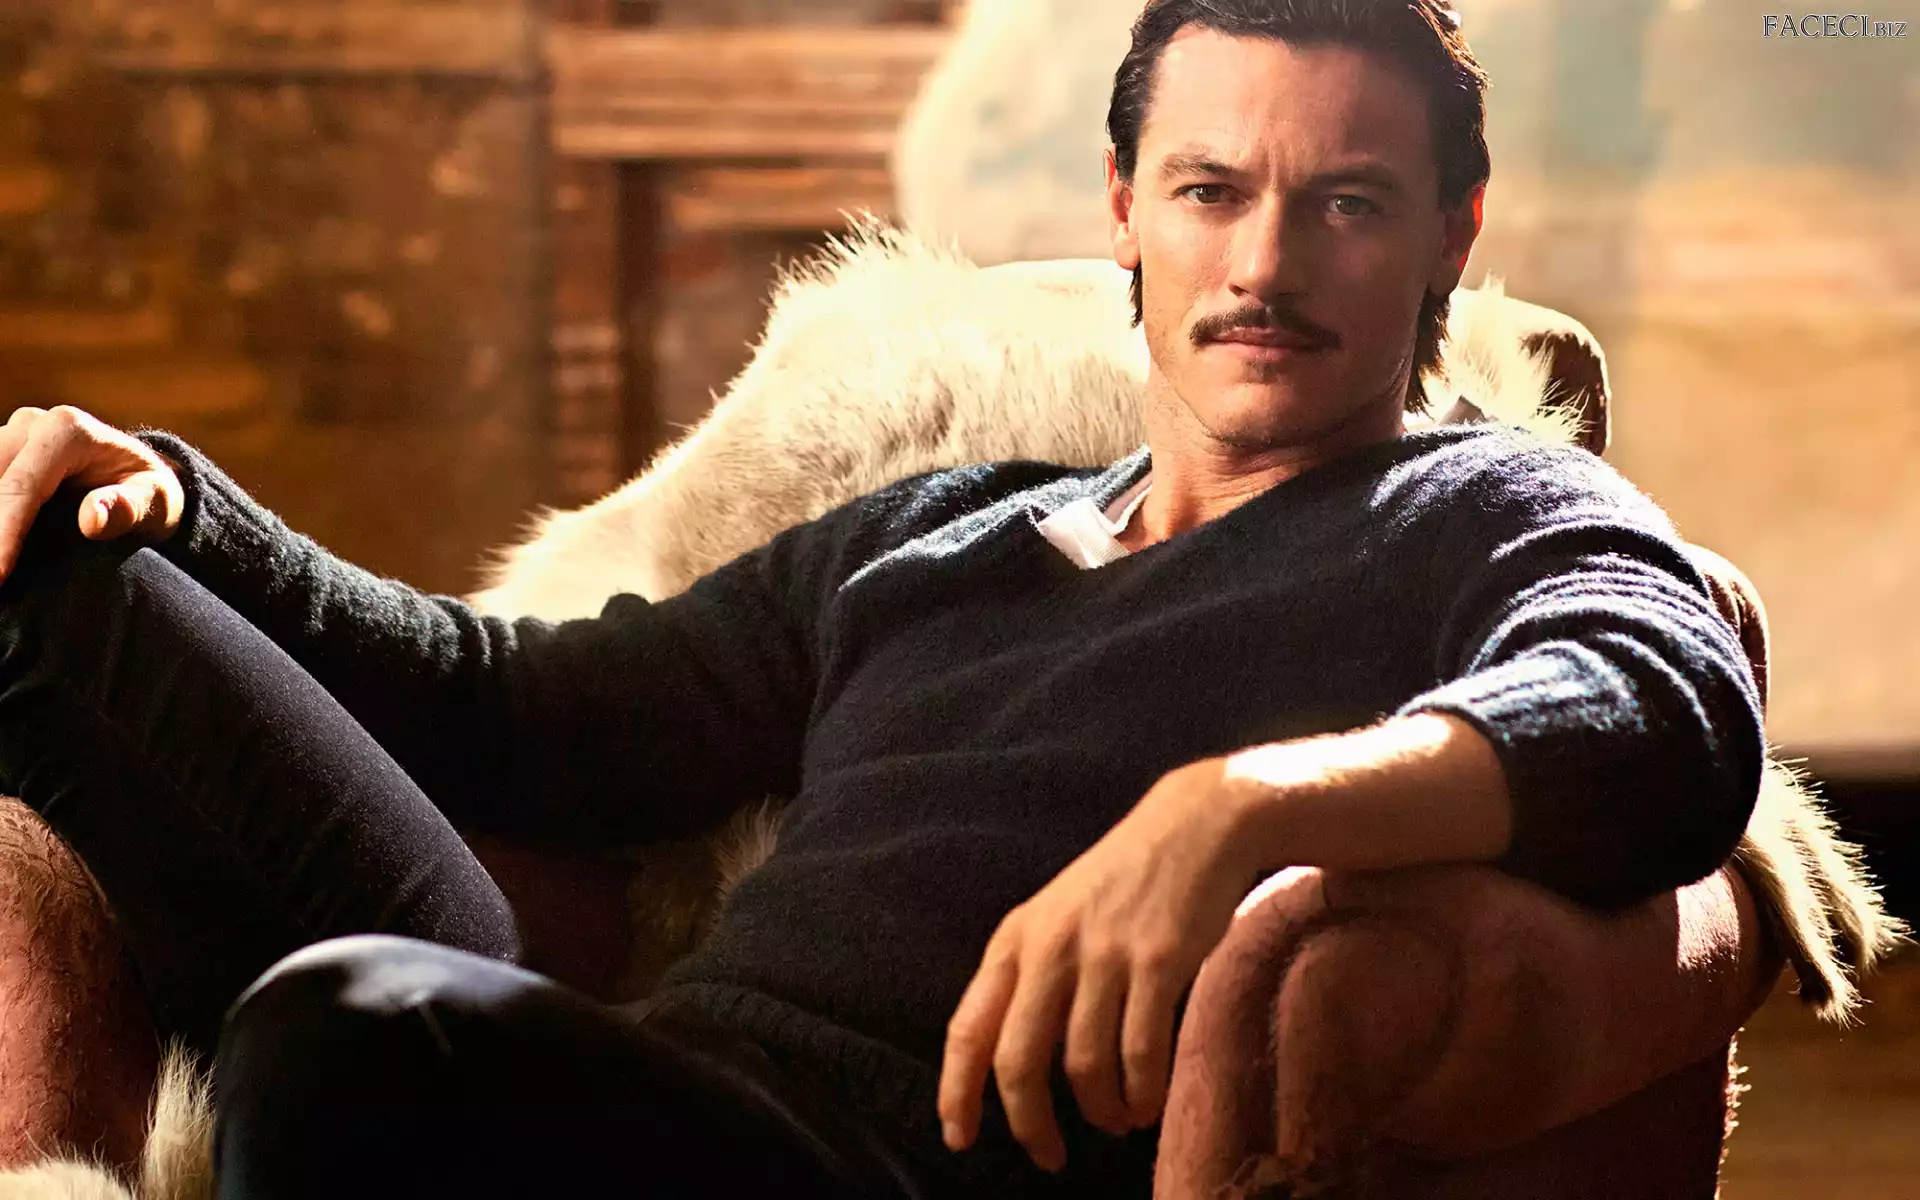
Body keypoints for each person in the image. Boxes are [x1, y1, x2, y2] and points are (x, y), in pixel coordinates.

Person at [0, 2, 1763, 1197]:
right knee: (49, 577)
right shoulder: (946, 532)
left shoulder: (1479, 506)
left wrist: (1230, 811)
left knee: (348, 1035)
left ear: (1454, 231)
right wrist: (184, 506)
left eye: (1349, 205)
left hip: (872, 1168)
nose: (1264, 264)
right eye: (1210, 191)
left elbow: (1670, 696)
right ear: (1126, 208)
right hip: (642, 1086)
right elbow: (518, 711)